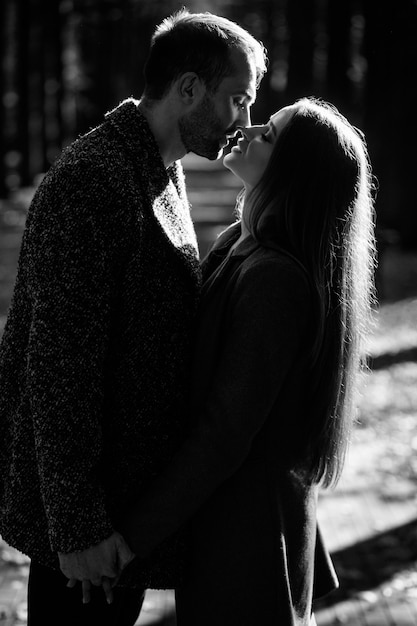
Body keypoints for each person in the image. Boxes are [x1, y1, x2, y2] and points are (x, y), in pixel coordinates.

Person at [0, 9, 267, 626]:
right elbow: (58, 364)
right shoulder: (94, 180)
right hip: (88, 528)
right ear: (190, 89)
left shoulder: (157, 167)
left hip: (124, 512)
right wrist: (78, 526)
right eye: (238, 99)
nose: (243, 122)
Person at [116, 97, 376, 625]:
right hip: (230, 526)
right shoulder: (245, 241)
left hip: (247, 540)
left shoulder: (275, 278)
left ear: (292, 173)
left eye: (270, 135)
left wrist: (133, 537)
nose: (248, 130)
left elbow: (225, 431)